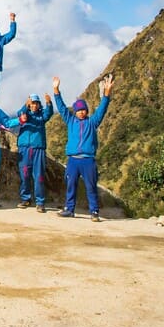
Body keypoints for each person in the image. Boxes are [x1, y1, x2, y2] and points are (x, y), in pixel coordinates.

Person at [53, 74, 114, 221]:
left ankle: (94, 212)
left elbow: (102, 110)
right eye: (78, 110)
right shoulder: (71, 120)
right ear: (75, 111)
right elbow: (61, 108)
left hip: (88, 160)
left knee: (91, 187)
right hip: (73, 160)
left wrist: (107, 93)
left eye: (83, 110)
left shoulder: (92, 122)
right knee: (70, 185)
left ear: (86, 111)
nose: (81, 112)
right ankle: (69, 209)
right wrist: (56, 90)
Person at [11, 93, 54, 212]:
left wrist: (49, 103)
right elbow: (20, 113)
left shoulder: (42, 116)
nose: (34, 105)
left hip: (38, 149)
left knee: (39, 175)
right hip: (24, 148)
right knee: (24, 174)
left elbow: (49, 113)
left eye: (36, 103)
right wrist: (26, 104)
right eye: (32, 103)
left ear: (39, 104)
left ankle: (40, 202)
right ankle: (25, 198)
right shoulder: (25, 114)